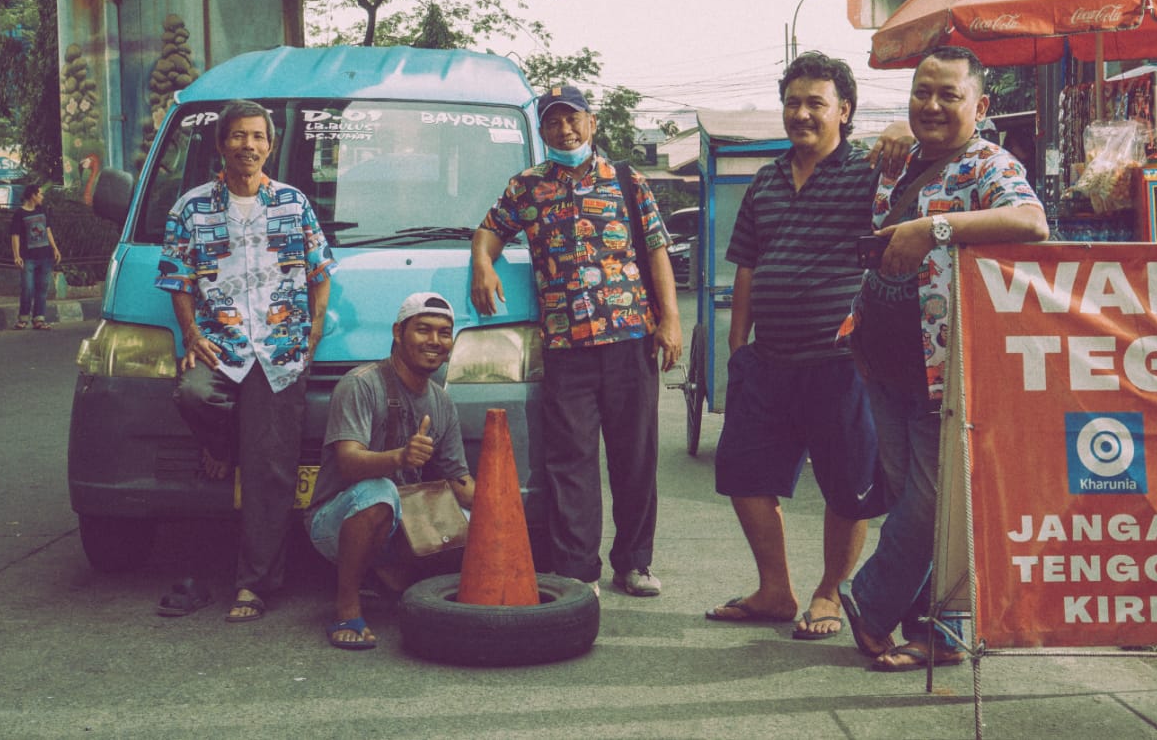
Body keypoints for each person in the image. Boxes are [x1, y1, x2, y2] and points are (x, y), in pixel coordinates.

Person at [841, 46, 1048, 671]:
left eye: (948, 95)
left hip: (948, 371)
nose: (930, 106)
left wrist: (935, 228)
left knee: (937, 504)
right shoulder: (898, 163)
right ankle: (934, 633)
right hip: (885, 362)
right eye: (920, 93)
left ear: (980, 107)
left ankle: (873, 604)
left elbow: (1032, 221)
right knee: (915, 500)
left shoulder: (990, 163)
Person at [706, 51, 892, 640]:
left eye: (816, 103)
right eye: (793, 102)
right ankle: (774, 590)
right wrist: (738, 350)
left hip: (841, 363)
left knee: (848, 486)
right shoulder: (764, 181)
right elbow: (747, 268)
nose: (802, 113)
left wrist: (903, 132)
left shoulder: (869, 174)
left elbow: (925, 159)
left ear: (845, 110)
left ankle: (829, 592)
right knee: (743, 475)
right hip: (768, 362)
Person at [471, 84, 681, 597]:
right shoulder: (526, 187)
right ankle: (576, 571)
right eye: (553, 122)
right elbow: (489, 230)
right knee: (571, 461)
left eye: (573, 119)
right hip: (565, 347)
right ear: (542, 131)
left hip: (630, 337)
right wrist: (482, 263)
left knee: (635, 458)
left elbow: (656, 252)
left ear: (592, 124)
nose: (564, 129)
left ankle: (634, 562)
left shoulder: (627, 181)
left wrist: (670, 320)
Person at [157, 99, 336, 623]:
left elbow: (320, 270)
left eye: (258, 137)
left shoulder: (292, 203)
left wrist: (316, 327)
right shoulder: (191, 209)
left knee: (271, 470)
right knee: (192, 393)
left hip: (281, 349)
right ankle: (221, 444)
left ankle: (255, 585)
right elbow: (178, 279)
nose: (248, 145)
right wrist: (190, 330)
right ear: (222, 144)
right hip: (223, 342)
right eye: (238, 136)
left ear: (270, 145)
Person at [305, 292, 475, 650]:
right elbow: (348, 462)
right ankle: (346, 608)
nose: (434, 341)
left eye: (444, 333)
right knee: (379, 491)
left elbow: (459, 481)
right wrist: (400, 457)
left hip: (401, 519)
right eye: (423, 330)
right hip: (335, 520)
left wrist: (502, 510)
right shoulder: (361, 383)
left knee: (476, 522)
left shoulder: (441, 401)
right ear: (398, 332)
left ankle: (393, 577)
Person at [9, 183, 61, 330]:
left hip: (45, 256)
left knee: (42, 288)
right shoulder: (20, 214)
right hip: (28, 257)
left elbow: (48, 230)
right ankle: (23, 318)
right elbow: (15, 236)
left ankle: (39, 318)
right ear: (33, 195)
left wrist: (55, 249)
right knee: (27, 288)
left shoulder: (42, 210)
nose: (42, 197)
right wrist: (17, 256)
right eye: (40, 194)